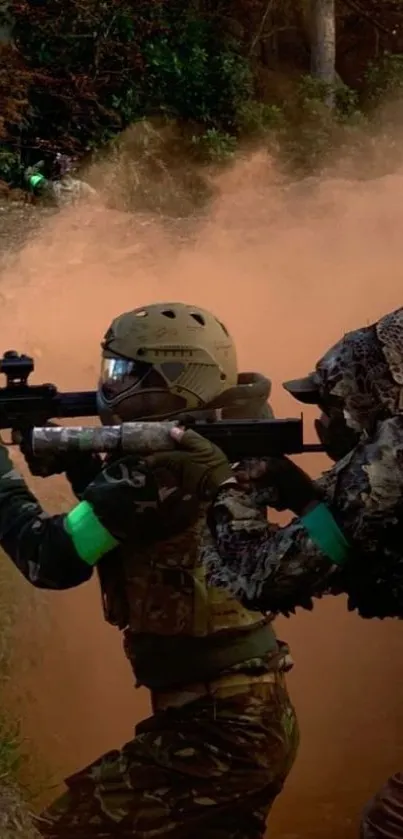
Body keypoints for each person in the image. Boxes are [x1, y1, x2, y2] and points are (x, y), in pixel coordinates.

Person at [0, 302, 298, 838]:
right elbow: (128, 525)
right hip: (237, 722)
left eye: (125, 374)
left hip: (220, 733)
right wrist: (75, 464)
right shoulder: (198, 455)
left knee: (52, 832)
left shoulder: (164, 467)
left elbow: (49, 558)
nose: (110, 386)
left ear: (177, 380)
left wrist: (1, 483)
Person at [146, 305, 403, 839]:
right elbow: (367, 564)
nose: (324, 423)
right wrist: (299, 494)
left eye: (332, 406)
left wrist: (229, 488)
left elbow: (266, 578)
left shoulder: (393, 456)